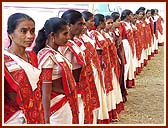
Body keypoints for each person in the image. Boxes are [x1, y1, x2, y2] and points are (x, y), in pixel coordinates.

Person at [33, 17, 79, 124]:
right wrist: (46, 119)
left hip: (64, 102)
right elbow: (45, 92)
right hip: (56, 107)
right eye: (65, 34)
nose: (68, 37)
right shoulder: (47, 57)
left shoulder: (56, 53)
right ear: (52, 36)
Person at [4, 13, 44, 124]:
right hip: (14, 118)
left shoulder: (32, 56)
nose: (30, 36)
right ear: (11, 34)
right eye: (23, 31)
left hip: (36, 114)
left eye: (32, 31)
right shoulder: (4, 60)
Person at [61, 9, 100, 124]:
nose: (84, 26)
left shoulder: (75, 42)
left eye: (84, 23)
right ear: (69, 25)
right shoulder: (63, 46)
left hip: (84, 87)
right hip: (74, 90)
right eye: (80, 24)